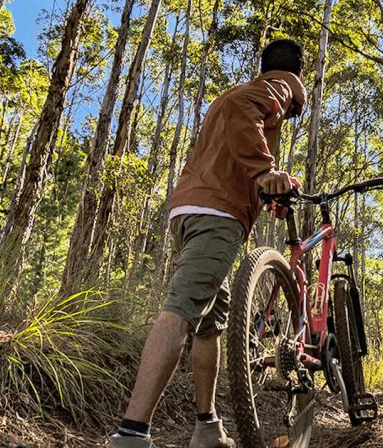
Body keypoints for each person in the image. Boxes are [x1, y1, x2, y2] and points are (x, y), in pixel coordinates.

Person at [107, 39, 307, 448]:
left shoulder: (236, 95)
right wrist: (265, 171)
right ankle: (131, 433)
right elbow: (243, 117)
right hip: (217, 217)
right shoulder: (277, 87)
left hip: (192, 209)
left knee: (210, 324)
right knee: (180, 310)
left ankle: (207, 427)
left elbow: (229, 147)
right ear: (293, 74)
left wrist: (264, 192)